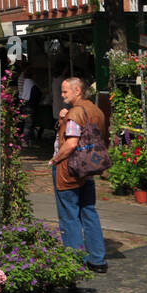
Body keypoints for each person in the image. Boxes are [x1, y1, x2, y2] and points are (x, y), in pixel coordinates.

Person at [52, 76, 108, 273]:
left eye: (65, 91)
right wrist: (62, 119)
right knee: (89, 211)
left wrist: (55, 159)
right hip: (88, 168)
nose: (62, 94)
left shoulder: (76, 113)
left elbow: (72, 143)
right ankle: (98, 259)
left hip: (70, 169)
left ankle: (74, 262)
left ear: (77, 91)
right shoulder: (95, 110)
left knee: (69, 216)